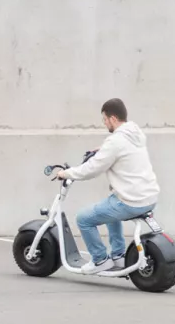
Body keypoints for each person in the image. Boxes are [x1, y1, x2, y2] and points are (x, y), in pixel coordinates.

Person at [52, 99, 159, 275]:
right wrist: (102, 148)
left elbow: (92, 169)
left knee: (83, 219)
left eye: (105, 119)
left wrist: (67, 173)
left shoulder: (115, 141)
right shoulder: (135, 133)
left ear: (113, 118)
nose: (104, 124)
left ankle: (100, 260)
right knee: (110, 206)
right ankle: (118, 255)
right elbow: (121, 148)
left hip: (130, 201)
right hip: (149, 198)